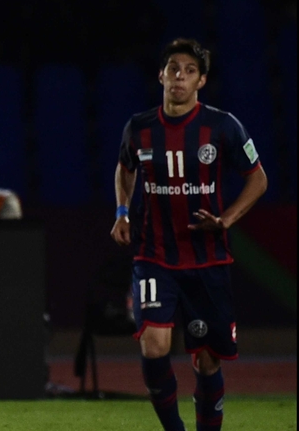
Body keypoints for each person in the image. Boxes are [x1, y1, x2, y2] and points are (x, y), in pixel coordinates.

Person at [110, 38, 268, 431]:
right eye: (173, 68)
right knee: (154, 345)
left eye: (190, 70)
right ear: (161, 75)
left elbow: (258, 179)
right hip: (154, 255)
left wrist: (228, 218)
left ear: (201, 81)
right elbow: (124, 168)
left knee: (206, 360)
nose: (180, 75)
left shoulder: (222, 125)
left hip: (206, 259)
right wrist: (122, 211)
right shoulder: (140, 127)